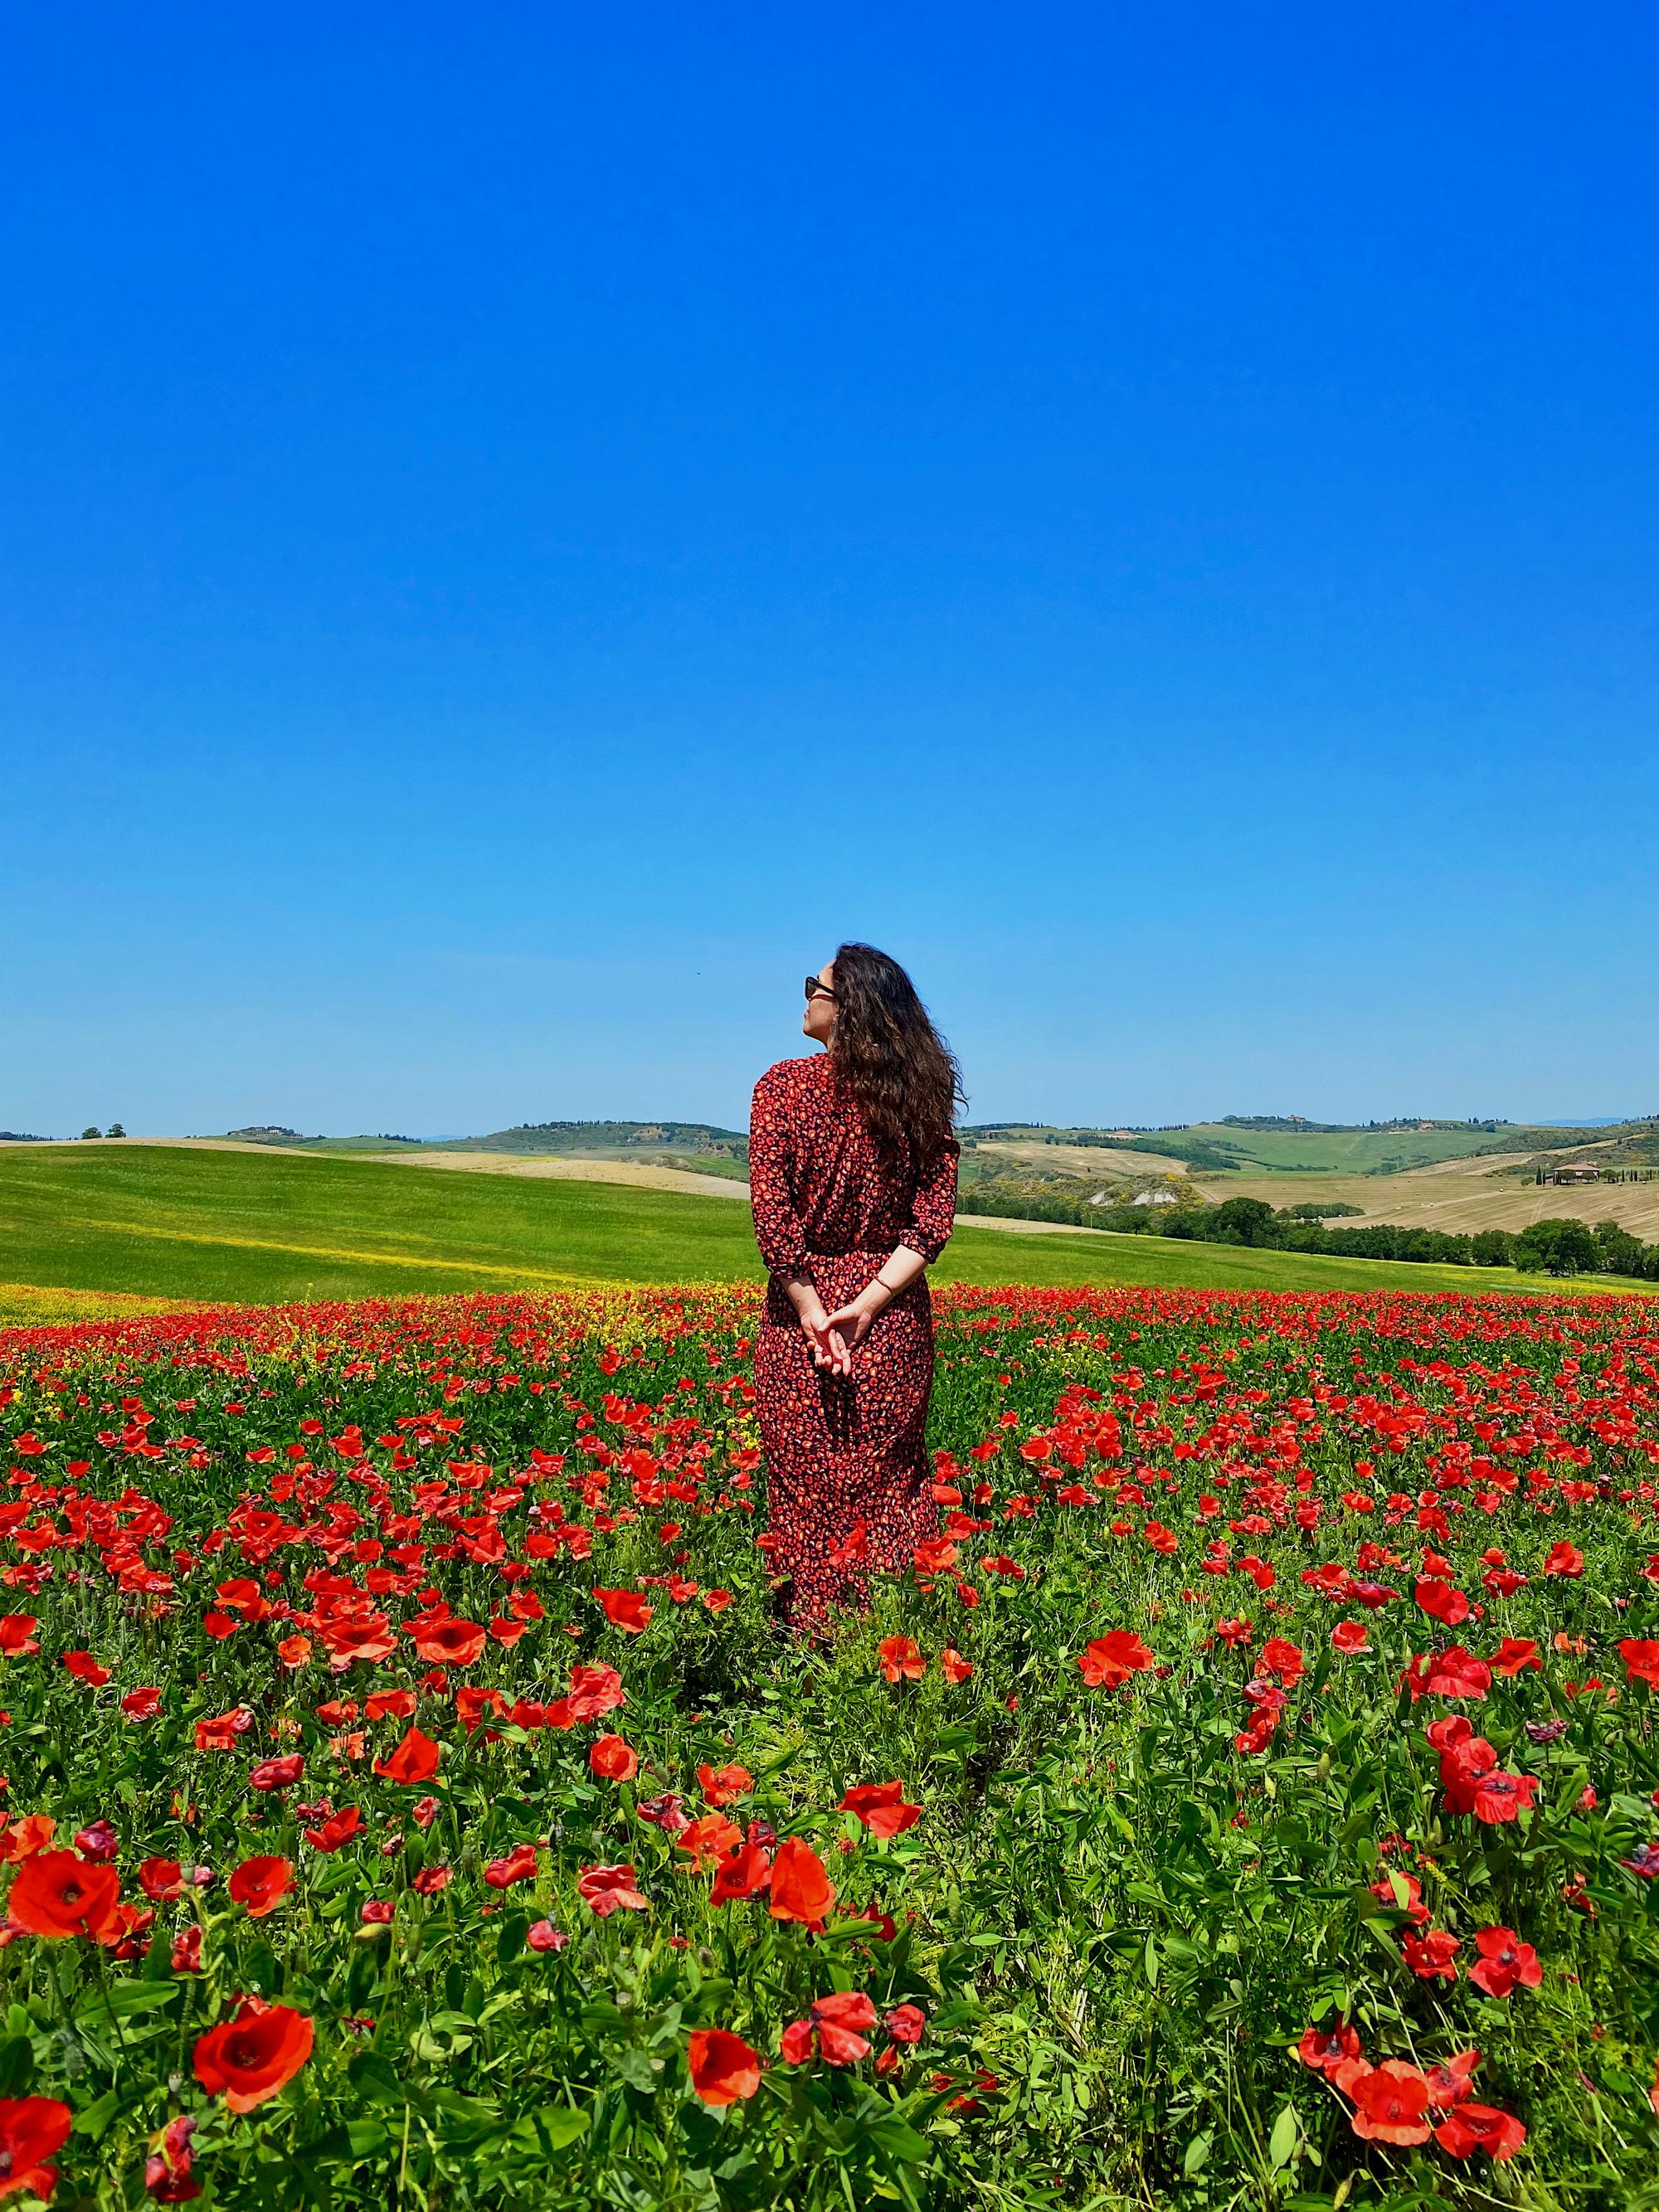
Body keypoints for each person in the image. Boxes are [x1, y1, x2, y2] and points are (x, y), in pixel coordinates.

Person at [749, 943, 962, 1631]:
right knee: (892, 1483)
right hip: (890, 1318)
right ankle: (897, 1636)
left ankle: (815, 1643)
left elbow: (774, 1220)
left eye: (817, 984)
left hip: (800, 1313)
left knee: (804, 1487)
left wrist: (815, 1312)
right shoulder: (918, 1101)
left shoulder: (778, 1088)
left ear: (851, 1008)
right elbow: (930, 1226)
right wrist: (868, 1303)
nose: (806, 993)